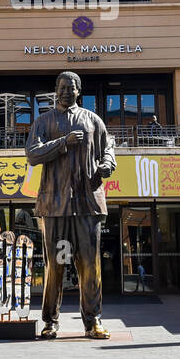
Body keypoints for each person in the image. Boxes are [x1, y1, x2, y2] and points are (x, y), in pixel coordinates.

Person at [25, 70, 116, 340]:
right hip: (54, 205)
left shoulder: (93, 120)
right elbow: (32, 154)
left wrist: (108, 162)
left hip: (88, 203)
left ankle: (93, 321)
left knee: (90, 264)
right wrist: (62, 143)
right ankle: (50, 322)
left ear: (79, 91)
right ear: (56, 90)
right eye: (62, 87)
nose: (66, 91)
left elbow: (108, 146)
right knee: (56, 265)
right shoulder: (44, 121)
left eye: (71, 87)